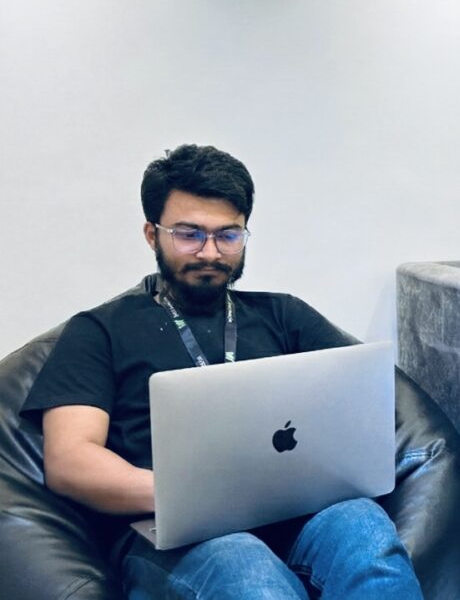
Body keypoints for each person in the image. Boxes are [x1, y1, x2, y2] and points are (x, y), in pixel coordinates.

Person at [20, 145, 423, 599]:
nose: (210, 252)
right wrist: (195, 499)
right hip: (172, 534)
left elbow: (364, 401)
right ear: (152, 234)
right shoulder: (100, 330)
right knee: (246, 571)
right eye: (189, 234)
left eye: (227, 235)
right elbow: (70, 461)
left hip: (295, 512)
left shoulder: (284, 315)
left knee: (365, 528)